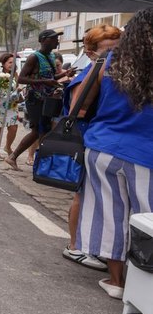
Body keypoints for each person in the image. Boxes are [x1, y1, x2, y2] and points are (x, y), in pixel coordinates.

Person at [72, 8, 153, 299]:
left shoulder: (107, 62)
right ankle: (144, 286)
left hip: (103, 147)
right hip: (147, 154)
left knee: (109, 216)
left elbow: (80, 107)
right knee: (147, 220)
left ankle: (117, 282)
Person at [61, 24, 121, 272]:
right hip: (87, 138)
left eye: (117, 48)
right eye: (108, 48)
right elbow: (78, 112)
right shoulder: (88, 74)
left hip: (98, 139)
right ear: (91, 51)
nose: (113, 53)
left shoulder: (106, 71)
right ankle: (75, 245)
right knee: (82, 193)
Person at [5, 30, 74, 170]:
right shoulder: (34, 57)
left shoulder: (51, 56)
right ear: (43, 40)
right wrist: (45, 81)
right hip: (35, 99)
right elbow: (21, 79)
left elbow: (51, 78)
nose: (57, 41)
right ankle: (23, 159)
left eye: (57, 38)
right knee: (38, 130)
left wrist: (64, 74)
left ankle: (35, 161)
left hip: (47, 99)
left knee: (44, 130)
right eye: (54, 38)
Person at [0, 53, 20, 161]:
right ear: (3, 63)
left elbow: (18, 87)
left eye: (14, 62)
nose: (12, 64)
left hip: (12, 105)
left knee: (14, 128)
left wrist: (18, 91)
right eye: (10, 62)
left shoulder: (15, 74)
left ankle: (7, 146)